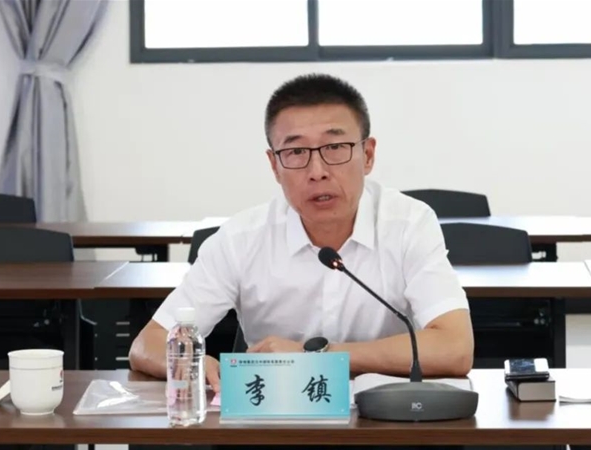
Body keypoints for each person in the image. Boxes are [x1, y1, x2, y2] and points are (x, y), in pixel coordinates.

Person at [129, 73, 474, 393]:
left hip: (385, 418)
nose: (317, 171)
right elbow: (148, 344)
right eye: (296, 152)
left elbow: (455, 348)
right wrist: (193, 362)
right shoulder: (240, 239)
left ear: (367, 155)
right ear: (274, 166)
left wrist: (317, 356)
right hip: (276, 420)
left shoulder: (409, 225)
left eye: (335, 148)